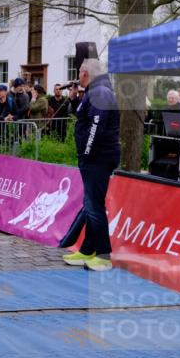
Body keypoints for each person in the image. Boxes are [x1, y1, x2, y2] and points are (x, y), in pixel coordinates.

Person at [62, 59, 121, 271]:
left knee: (95, 207)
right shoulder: (95, 91)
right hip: (95, 156)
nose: (78, 76)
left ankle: (104, 256)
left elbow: (96, 128)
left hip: (98, 157)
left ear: (86, 73)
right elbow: (83, 118)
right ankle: (88, 250)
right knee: (90, 205)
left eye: (79, 72)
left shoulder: (100, 93)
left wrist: (86, 154)